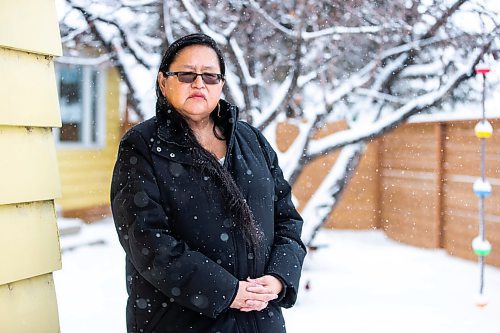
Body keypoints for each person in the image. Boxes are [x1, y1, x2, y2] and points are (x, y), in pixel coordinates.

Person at [110, 33, 306, 333]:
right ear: (164, 82)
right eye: (186, 74)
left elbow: (287, 221)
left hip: (260, 321)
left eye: (210, 76)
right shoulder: (143, 146)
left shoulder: (252, 141)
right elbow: (147, 241)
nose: (199, 84)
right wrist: (227, 291)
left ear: (222, 85)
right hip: (179, 322)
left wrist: (279, 278)